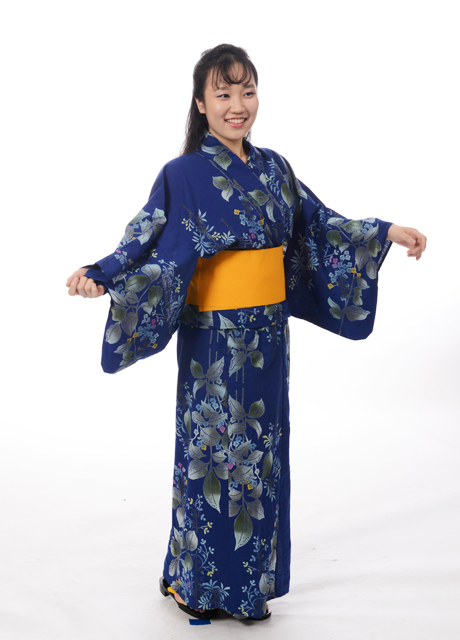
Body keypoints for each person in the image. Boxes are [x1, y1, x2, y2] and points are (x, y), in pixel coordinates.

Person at [66, 44, 427, 621]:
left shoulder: (275, 169)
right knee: (211, 458)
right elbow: (146, 237)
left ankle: (247, 588)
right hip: (212, 343)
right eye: (224, 93)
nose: (238, 105)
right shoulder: (182, 174)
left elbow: (320, 225)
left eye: (247, 91)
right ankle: (196, 584)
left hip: (268, 341)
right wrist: (101, 275)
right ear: (201, 103)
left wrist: (385, 231)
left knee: (260, 459)